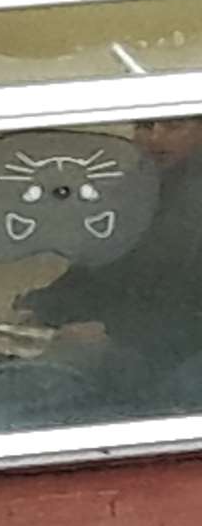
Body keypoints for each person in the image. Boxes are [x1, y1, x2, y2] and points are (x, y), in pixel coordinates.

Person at [17, 115, 202, 410]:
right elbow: (101, 266)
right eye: (144, 126)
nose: (154, 138)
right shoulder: (138, 190)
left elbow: (189, 310)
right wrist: (44, 306)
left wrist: (114, 333)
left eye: (173, 126)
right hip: (134, 343)